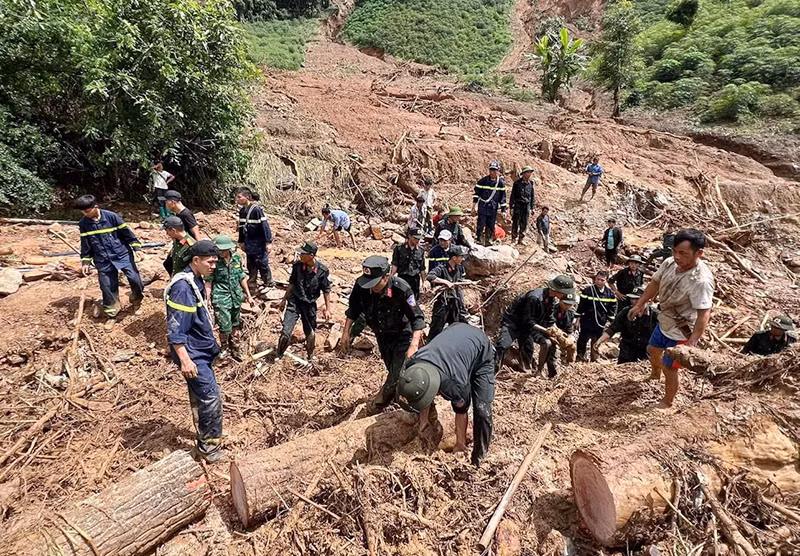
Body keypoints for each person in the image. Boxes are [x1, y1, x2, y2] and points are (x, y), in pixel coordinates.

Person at [629, 228, 714, 409]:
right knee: (652, 348)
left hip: (681, 330)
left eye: (683, 253)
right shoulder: (669, 263)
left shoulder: (701, 281)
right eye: (675, 251)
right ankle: (654, 374)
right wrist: (641, 303)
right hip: (665, 320)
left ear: (699, 253)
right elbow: (655, 283)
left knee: (670, 368)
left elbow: (703, 313)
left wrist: (692, 342)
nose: (677, 257)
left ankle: (667, 401)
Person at [397, 323, 495, 466]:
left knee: (482, 411)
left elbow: (461, 411)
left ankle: (479, 458)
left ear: (436, 391)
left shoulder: (455, 385)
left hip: (480, 349)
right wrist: (423, 420)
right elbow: (423, 387)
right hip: (454, 333)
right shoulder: (412, 365)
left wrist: (459, 443)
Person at [341, 256, 425, 410]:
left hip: (402, 335)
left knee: (397, 374)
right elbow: (353, 309)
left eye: (375, 283)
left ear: (386, 277)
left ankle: (381, 403)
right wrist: (346, 332)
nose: (371, 288)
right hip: (382, 335)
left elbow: (417, 317)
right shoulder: (362, 286)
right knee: (392, 368)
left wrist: (414, 344)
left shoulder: (401, 288)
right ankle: (397, 395)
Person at [165, 240, 223, 462]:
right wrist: (185, 360)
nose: (213, 266)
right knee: (210, 397)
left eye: (215, 262)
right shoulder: (183, 288)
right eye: (210, 262)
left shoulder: (195, 280)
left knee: (201, 397)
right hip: (193, 354)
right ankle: (209, 447)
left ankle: (203, 436)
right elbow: (176, 328)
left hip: (201, 350)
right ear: (195, 260)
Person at [76, 195, 144, 321]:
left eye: (87, 211)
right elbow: (86, 244)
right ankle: (112, 314)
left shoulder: (111, 217)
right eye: (82, 212)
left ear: (95, 207)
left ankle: (136, 301)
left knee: (135, 279)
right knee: (107, 287)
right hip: (102, 260)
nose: (84, 214)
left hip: (122, 254)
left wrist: (137, 249)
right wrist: (85, 261)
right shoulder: (84, 224)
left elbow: (127, 234)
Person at [495, 275, 575, 372]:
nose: (565, 296)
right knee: (503, 345)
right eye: (564, 293)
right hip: (513, 323)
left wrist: (557, 333)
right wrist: (546, 331)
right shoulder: (535, 297)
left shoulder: (552, 299)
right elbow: (528, 320)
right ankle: (493, 371)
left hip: (528, 327)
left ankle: (525, 372)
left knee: (528, 350)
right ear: (557, 291)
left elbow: (549, 319)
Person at [277, 241, 332, 360]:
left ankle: (310, 355)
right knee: (286, 332)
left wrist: (328, 309)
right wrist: (284, 300)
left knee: (310, 333)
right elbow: (291, 284)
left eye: (303, 254)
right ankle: (279, 355)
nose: (300, 256)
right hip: (295, 301)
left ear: (311, 256)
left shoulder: (322, 271)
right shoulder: (297, 266)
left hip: (309, 304)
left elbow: (326, 290)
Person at [205, 235, 254, 360]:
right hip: (221, 297)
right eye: (218, 249)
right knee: (224, 325)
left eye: (222, 250)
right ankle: (224, 347)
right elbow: (209, 281)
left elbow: (241, 277)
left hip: (236, 297)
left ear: (228, 249)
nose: (220, 252)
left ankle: (235, 348)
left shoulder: (237, 258)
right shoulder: (214, 261)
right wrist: (208, 298)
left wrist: (248, 295)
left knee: (235, 323)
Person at [594, 286, 659, 364]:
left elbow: (664, 331)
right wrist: (599, 341)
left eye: (637, 299)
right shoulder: (625, 312)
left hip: (646, 355)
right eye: (632, 299)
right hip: (627, 353)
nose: (634, 301)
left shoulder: (654, 315)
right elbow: (612, 329)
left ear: (645, 299)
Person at [427, 246, 470, 340]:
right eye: (460, 257)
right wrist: (445, 282)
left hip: (455, 303)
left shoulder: (459, 268)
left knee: (455, 328)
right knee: (436, 330)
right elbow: (430, 276)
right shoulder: (442, 268)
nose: (462, 259)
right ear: (454, 258)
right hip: (443, 304)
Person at [236, 187, 274, 291]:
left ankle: (268, 282)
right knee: (251, 263)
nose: (237, 199)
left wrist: (268, 242)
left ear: (247, 197)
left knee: (262, 263)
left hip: (259, 243)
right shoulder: (242, 211)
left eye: (239, 197)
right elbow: (241, 228)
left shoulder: (257, 210)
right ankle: (252, 281)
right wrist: (241, 241)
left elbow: (265, 226)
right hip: (249, 243)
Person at [576, 271, 617, 362]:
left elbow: (612, 308)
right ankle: (580, 357)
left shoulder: (610, 294)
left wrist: (611, 321)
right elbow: (581, 306)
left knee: (596, 340)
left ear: (606, 281)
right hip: (587, 320)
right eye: (597, 279)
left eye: (602, 280)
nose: (599, 282)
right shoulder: (587, 291)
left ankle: (594, 359)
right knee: (583, 339)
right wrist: (577, 320)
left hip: (600, 322)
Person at [537, 291, 579, 378]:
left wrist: (569, 338)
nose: (567, 306)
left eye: (570, 305)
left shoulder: (570, 313)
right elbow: (547, 324)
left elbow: (569, 328)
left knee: (572, 346)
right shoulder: (552, 309)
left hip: (561, 335)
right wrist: (551, 336)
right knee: (551, 351)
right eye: (565, 304)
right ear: (560, 301)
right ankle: (548, 373)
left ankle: (569, 365)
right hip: (547, 332)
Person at [473, 161, 508, 246]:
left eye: (494, 170)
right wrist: (474, 206)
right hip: (483, 206)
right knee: (481, 223)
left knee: (491, 224)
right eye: (491, 170)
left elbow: (503, 197)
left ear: (498, 170)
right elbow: (476, 194)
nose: (492, 172)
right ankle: (480, 240)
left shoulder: (500, 184)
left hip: (493, 207)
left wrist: (503, 210)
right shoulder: (483, 181)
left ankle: (489, 240)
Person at [391, 228, 426, 300]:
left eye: (419, 239)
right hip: (403, 277)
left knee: (414, 300)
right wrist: (391, 277)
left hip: (415, 279)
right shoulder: (399, 248)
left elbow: (422, 268)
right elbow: (395, 264)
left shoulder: (421, 250)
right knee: (401, 298)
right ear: (409, 236)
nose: (417, 240)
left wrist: (424, 282)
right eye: (415, 238)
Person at [510, 166, 535, 245]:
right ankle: (514, 238)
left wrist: (532, 207)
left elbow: (532, 196)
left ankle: (521, 239)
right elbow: (512, 195)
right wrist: (511, 207)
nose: (529, 174)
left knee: (524, 222)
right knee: (516, 221)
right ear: (523, 174)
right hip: (518, 204)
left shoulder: (530, 183)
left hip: (526, 205)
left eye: (530, 172)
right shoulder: (517, 183)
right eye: (527, 172)